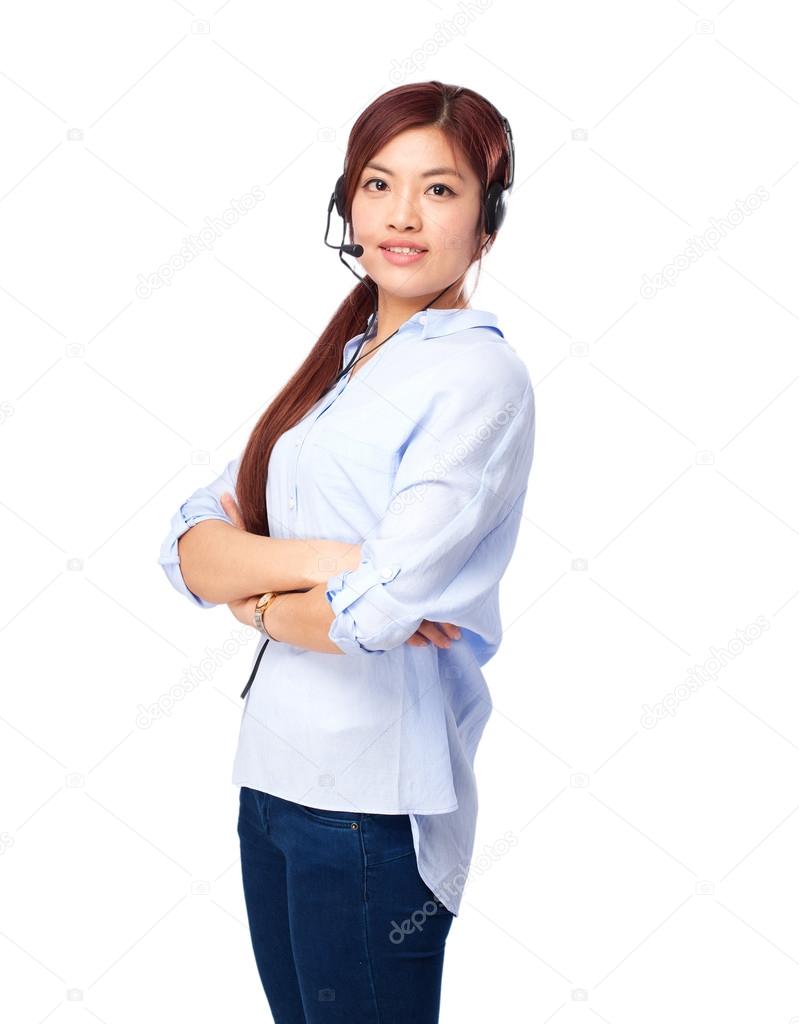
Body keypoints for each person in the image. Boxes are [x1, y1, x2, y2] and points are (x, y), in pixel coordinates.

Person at [158, 80, 535, 1024]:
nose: (402, 215)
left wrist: (266, 587)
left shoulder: (476, 373)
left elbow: (371, 618)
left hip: (368, 808)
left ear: (484, 225)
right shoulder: (341, 362)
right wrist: (333, 560)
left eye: (439, 190)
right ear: (347, 204)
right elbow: (189, 544)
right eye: (377, 183)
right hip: (270, 783)